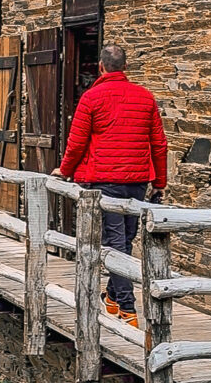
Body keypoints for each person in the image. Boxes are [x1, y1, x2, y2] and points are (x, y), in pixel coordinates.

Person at [53, 43, 168, 328]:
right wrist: (160, 182)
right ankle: (114, 298)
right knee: (126, 239)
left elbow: (77, 142)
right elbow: (159, 144)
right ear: (125, 67)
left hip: (105, 179)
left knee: (117, 243)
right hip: (138, 180)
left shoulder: (91, 98)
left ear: (101, 67)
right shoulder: (145, 97)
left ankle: (127, 309)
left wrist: (64, 170)